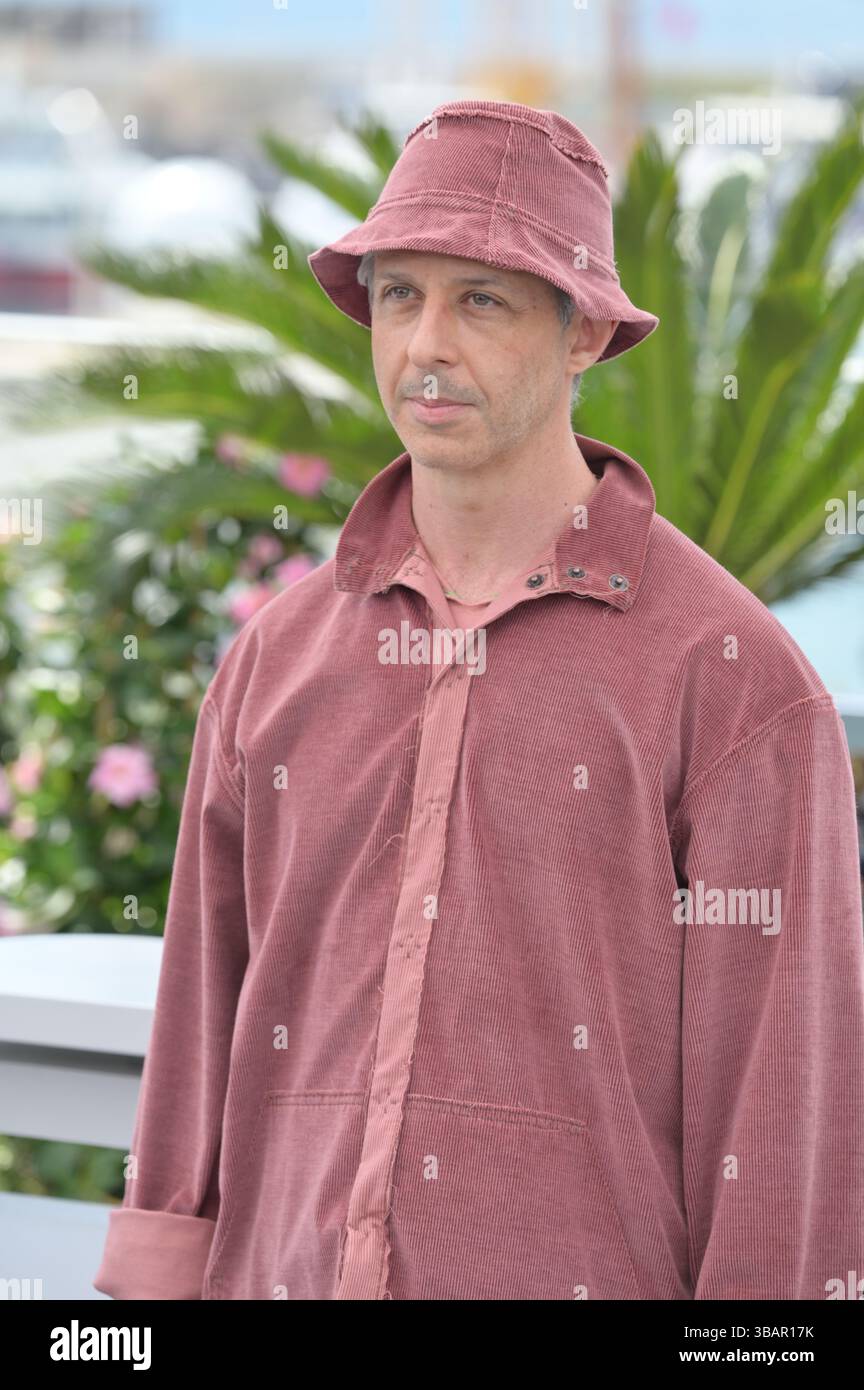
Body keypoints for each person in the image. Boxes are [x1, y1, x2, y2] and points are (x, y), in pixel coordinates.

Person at [93, 98, 864, 1301]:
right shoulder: (275, 662)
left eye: (482, 301)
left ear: (585, 336)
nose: (426, 346)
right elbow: (202, 1003)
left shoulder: (736, 682)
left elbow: (781, 1108)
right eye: (399, 296)